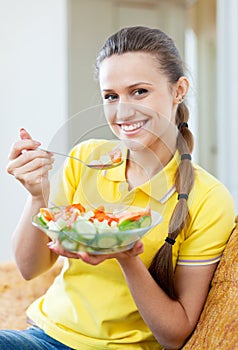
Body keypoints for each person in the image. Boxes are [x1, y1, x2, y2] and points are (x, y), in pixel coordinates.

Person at [3, 26, 236, 350]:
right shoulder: (86, 157)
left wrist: (127, 256)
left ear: (178, 89)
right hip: (45, 336)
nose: (123, 111)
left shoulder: (209, 200)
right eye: (111, 96)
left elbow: (174, 334)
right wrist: (37, 195)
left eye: (139, 91)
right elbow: (30, 269)